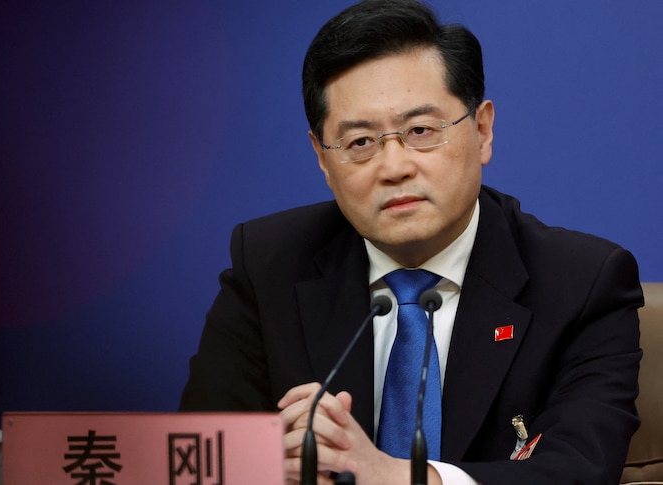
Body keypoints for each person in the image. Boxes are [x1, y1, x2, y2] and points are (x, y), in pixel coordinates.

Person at [178, 0, 644, 483]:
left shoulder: (583, 282)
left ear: (482, 130)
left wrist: (395, 477)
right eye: (360, 142)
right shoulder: (269, 263)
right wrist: (266, 463)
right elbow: (200, 457)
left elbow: (579, 472)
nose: (394, 166)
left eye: (421, 131)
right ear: (322, 158)